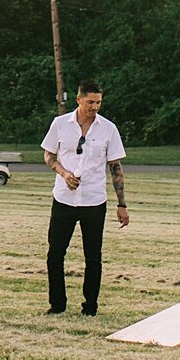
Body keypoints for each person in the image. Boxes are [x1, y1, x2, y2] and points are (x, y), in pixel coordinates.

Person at [39, 80, 129, 316]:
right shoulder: (60, 124)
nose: (95, 107)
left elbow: (116, 168)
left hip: (94, 201)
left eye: (98, 102)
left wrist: (122, 204)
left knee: (94, 257)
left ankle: (90, 306)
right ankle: (57, 305)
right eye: (90, 102)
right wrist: (64, 173)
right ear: (79, 100)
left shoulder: (108, 129)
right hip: (63, 200)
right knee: (55, 253)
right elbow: (48, 154)